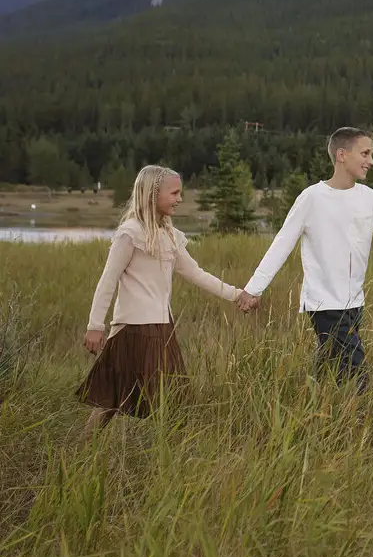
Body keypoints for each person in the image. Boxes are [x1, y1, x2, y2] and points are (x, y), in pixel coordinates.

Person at [241, 127, 373, 391]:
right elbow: (281, 245)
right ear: (342, 155)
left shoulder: (370, 199)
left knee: (330, 365)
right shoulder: (312, 198)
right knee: (356, 373)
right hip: (324, 303)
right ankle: (361, 422)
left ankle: (313, 406)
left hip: (355, 303)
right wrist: (253, 288)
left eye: (371, 154)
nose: (371, 161)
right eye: (365, 153)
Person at [80, 165, 249, 433]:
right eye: (174, 193)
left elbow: (195, 273)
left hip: (161, 329)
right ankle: (84, 453)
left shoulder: (169, 234)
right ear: (151, 194)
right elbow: (108, 280)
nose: (179, 199)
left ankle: (170, 462)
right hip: (132, 330)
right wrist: (95, 325)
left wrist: (237, 294)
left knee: (173, 400)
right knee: (110, 401)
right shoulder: (130, 233)